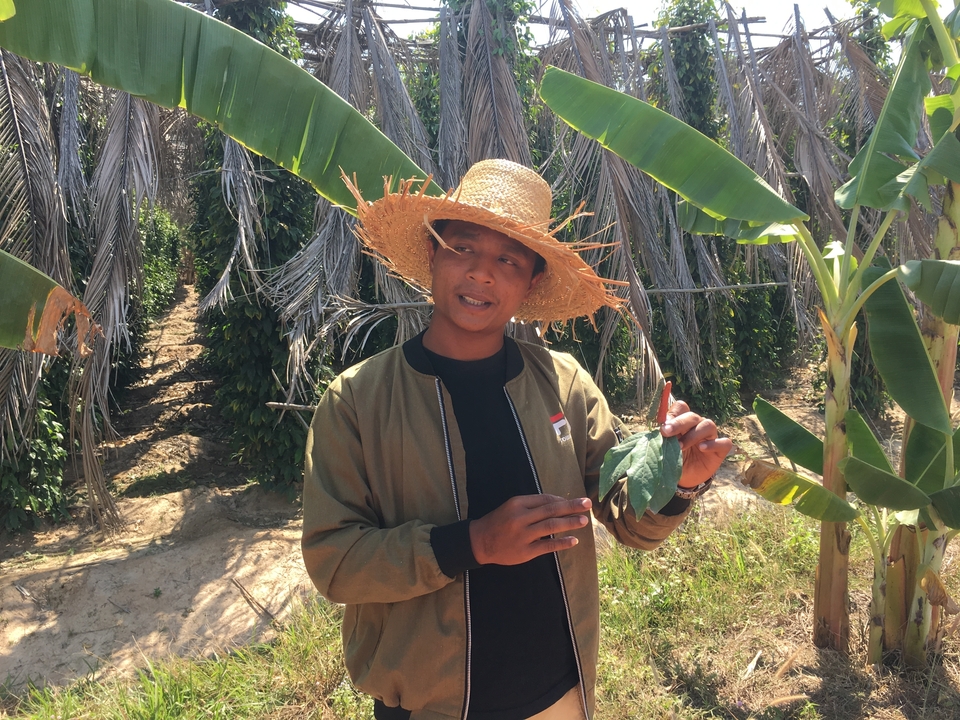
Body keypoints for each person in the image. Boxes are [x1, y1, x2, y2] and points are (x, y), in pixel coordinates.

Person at [301, 159, 731, 720]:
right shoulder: (358, 401)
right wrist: (474, 543)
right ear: (433, 255)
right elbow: (335, 562)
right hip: (427, 704)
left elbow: (628, 522)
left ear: (530, 281)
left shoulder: (565, 384)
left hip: (556, 694)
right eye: (464, 248)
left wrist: (682, 480)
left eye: (508, 259)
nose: (482, 273)